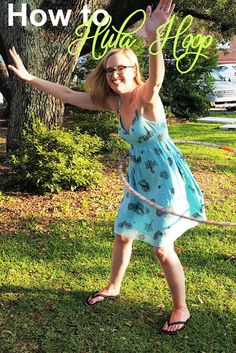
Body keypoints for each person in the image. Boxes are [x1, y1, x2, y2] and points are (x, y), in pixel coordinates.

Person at [8, 0, 206, 335]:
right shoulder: (113, 101)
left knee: (161, 247)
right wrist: (29, 77)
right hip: (139, 177)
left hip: (166, 180)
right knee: (123, 233)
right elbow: (68, 94)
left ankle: (180, 308)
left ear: (133, 70)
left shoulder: (146, 97)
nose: (115, 75)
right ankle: (113, 285)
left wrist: (153, 37)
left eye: (121, 68)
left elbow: (157, 80)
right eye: (110, 70)